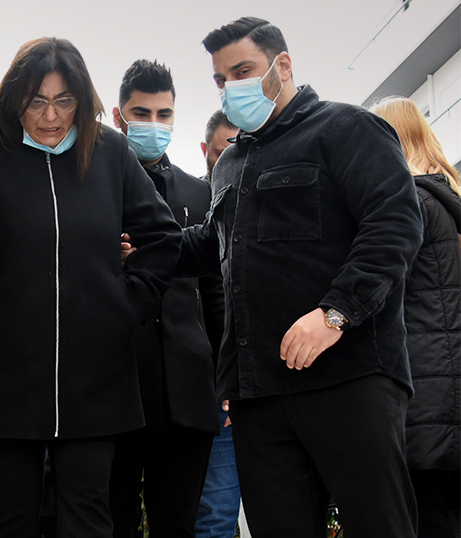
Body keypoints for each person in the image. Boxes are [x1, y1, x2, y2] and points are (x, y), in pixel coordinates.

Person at [0, 37, 180, 538]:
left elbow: (163, 238)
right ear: (15, 96)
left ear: (81, 99)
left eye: (64, 100)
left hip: (95, 372)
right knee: (7, 513)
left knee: (88, 514)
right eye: (36, 100)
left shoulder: (111, 151)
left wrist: (125, 304)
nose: (51, 115)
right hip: (2, 369)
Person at [177, 17, 423, 537]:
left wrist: (335, 314)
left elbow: (395, 223)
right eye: (221, 79)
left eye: (242, 71)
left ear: (282, 65)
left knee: (379, 526)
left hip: (348, 377)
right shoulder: (230, 163)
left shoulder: (347, 128)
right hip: (259, 393)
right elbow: (210, 244)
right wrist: (136, 249)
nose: (231, 87)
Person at [107, 59, 222, 538]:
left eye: (163, 114)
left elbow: (216, 294)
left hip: (188, 391)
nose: (153, 124)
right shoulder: (91, 185)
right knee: (110, 521)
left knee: (178, 523)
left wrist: (224, 379)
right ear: (119, 116)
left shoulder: (201, 191)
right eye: (142, 113)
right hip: (112, 385)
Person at [370, 96, 461, 538]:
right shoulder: (450, 198)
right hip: (450, 389)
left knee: (425, 519)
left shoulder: (410, 204)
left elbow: (381, 289)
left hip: (424, 392)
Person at [194, 110, 241, 538]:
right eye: (223, 149)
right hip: (215, 387)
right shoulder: (197, 207)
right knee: (216, 514)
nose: (232, 155)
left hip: (266, 383)